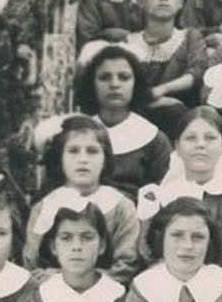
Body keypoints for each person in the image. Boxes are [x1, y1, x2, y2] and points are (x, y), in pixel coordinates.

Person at [24, 116, 140, 284]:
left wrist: (79, 280)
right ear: (60, 157)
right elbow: (31, 264)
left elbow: (128, 265)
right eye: (73, 151)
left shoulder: (121, 206)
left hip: (105, 296)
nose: (83, 159)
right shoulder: (45, 207)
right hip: (52, 296)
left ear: (105, 158)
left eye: (92, 151)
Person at [137, 108, 222, 277]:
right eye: (191, 138)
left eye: (210, 138)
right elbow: (147, 249)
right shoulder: (162, 195)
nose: (200, 144)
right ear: (177, 146)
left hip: (218, 281)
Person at [74, 46, 172, 200]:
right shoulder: (74, 136)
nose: (114, 84)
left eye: (124, 77)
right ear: (91, 83)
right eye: (105, 77)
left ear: (136, 83)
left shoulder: (155, 141)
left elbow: (161, 197)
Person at [123, 0, 208, 140]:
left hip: (178, 123)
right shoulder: (128, 42)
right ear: (140, 0)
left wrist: (163, 90)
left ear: (181, 2)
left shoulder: (190, 37)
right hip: (134, 116)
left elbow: (198, 72)